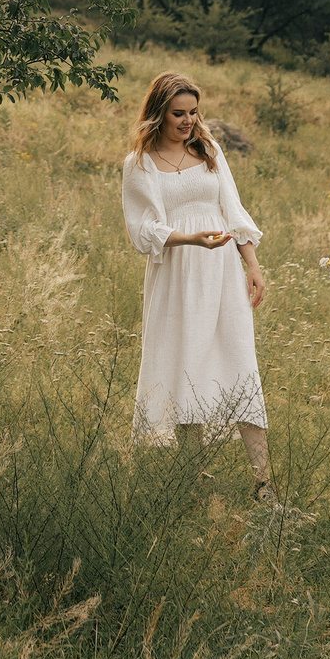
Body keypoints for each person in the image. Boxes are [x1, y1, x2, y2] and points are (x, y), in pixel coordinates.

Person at [119, 71, 274, 501]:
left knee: (240, 359)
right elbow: (142, 229)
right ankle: (192, 481)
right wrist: (189, 239)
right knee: (187, 360)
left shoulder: (209, 149)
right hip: (177, 270)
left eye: (193, 112)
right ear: (158, 113)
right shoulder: (140, 164)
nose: (187, 121)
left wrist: (253, 265)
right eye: (178, 114)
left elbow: (232, 209)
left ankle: (264, 485)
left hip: (222, 266)